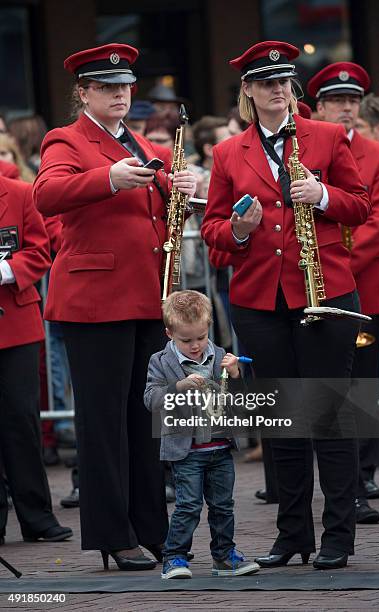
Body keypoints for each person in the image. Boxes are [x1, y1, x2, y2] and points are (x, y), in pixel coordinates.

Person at [201, 41, 370, 570]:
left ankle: (338, 536)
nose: (278, 89)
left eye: (285, 80)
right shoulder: (230, 152)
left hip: (325, 295)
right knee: (281, 423)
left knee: (328, 417)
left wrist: (321, 195)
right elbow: (212, 230)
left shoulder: (324, 135)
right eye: (267, 82)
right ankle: (292, 534)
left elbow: (359, 204)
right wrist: (239, 231)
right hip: (259, 299)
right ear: (248, 91)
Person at [33, 43, 196, 571]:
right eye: (106, 88)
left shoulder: (149, 145)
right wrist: (107, 179)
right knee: (103, 423)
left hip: (147, 297)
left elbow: (164, 214)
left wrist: (184, 189)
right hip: (95, 301)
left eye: (125, 88)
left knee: (145, 415)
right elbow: (48, 194)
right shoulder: (67, 139)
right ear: (83, 93)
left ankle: (151, 525)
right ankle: (112, 533)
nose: (119, 96)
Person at [309, 65, 379, 525]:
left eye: (353, 100)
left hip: (361, 282)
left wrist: (330, 267)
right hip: (313, 283)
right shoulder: (306, 146)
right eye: (336, 100)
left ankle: (361, 473)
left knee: (360, 383)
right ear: (319, 106)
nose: (346, 108)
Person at [144, 290, 260, 579]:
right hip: (187, 452)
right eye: (186, 340)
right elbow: (151, 400)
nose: (195, 346)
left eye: (201, 337)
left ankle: (224, 557)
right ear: (169, 333)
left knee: (223, 506)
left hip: (220, 447)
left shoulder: (220, 355)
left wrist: (235, 376)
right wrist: (179, 387)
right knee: (189, 506)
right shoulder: (159, 361)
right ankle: (174, 557)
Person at [0, 175, 72, 545]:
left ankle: (37, 517)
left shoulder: (19, 192)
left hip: (15, 325)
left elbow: (39, 251)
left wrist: (4, 270)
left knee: (21, 421)